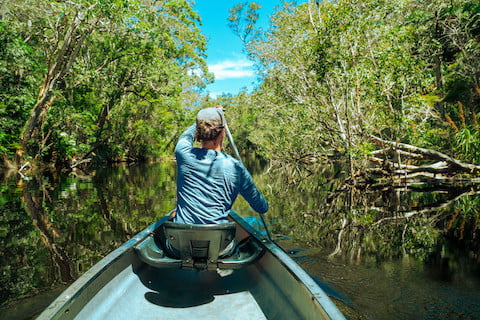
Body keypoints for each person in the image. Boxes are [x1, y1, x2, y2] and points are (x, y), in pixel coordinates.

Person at [173, 107, 268, 225]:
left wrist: (202, 122)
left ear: (198, 132)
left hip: (180, 241)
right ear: (223, 133)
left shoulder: (183, 153)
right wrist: (218, 117)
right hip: (218, 242)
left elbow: (186, 136)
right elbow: (262, 207)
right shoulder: (236, 167)